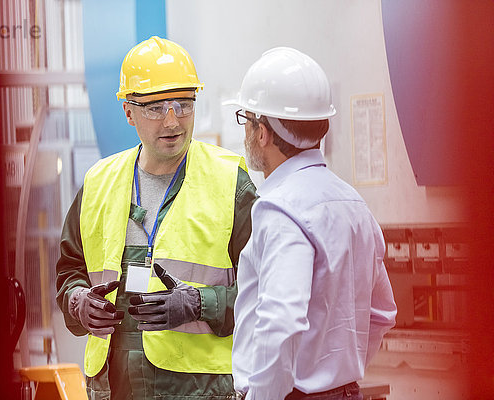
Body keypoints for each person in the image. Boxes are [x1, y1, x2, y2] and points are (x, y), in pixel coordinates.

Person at [56, 36, 257, 400]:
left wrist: (201, 303)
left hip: (199, 391)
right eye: (155, 107)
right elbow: (70, 269)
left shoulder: (230, 184)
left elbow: (264, 293)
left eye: (183, 104)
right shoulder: (98, 183)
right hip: (111, 387)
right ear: (128, 112)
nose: (172, 120)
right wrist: (78, 302)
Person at [229, 47, 397, 400]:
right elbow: (382, 312)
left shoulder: (280, 209)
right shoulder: (353, 203)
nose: (245, 132)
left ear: (262, 132)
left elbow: (281, 322)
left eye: (246, 120)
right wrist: (335, 376)